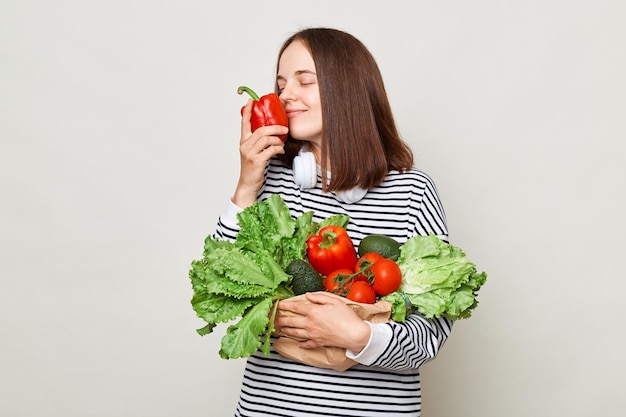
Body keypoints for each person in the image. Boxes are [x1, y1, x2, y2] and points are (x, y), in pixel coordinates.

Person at [215, 27, 452, 417]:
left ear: (347, 91)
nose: (284, 95)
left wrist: (359, 336)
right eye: (280, 83)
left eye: (304, 81)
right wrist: (245, 184)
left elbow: (431, 333)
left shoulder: (412, 192)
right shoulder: (270, 179)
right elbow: (220, 285)